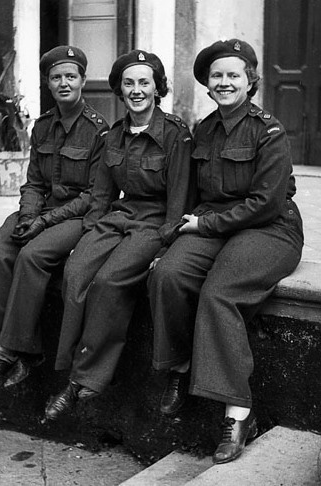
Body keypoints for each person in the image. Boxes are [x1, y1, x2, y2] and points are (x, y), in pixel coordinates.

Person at [148, 39, 304, 464]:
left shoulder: (269, 131)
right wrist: (175, 237)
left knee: (220, 292)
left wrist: (205, 225)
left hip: (269, 229)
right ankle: (180, 367)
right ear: (207, 83)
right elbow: (196, 193)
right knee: (168, 274)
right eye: (217, 75)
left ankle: (238, 413)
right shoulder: (203, 130)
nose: (224, 82)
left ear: (250, 81)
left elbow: (266, 204)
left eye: (234, 75)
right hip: (215, 224)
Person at [43, 50, 195, 421]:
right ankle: (70, 365)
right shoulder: (112, 135)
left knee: (109, 280)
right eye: (129, 83)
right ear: (119, 89)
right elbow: (101, 196)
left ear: (157, 88)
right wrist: (88, 236)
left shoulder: (175, 134)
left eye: (144, 83)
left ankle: (84, 381)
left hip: (155, 222)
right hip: (119, 216)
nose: (136, 90)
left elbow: (179, 198)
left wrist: (167, 244)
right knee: (76, 271)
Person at [0, 45, 109, 392]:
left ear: (82, 81)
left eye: (71, 76)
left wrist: (43, 223)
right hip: (42, 209)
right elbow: (34, 182)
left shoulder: (99, 130)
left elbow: (94, 196)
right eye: (56, 77)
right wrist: (29, 215)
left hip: (78, 215)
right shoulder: (43, 126)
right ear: (48, 83)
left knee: (33, 255)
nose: (64, 83)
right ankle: (3, 350)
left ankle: (8, 355)